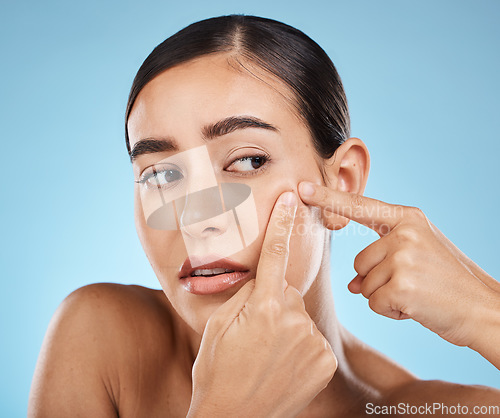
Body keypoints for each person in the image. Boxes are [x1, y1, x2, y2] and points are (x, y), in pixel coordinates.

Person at [28, 14, 500, 417]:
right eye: (162, 175)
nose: (196, 217)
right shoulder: (102, 339)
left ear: (343, 181)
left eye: (248, 161)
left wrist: (489, 313)